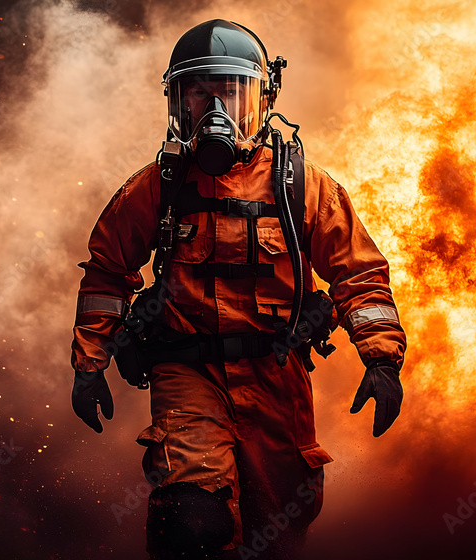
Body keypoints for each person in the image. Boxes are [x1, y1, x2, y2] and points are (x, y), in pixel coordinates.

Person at [70, 19, 406, 560]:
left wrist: (383, 360)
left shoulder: (301, 186)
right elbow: (108, 272)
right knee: (190, 522)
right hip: (188, 372)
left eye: (232, 91)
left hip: (277, 375)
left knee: (279, 534)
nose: (217, 111)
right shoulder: (161, 186)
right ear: (177, 102)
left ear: (265, 98)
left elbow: (358, 273)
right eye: (200, 93)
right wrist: (89, 365)